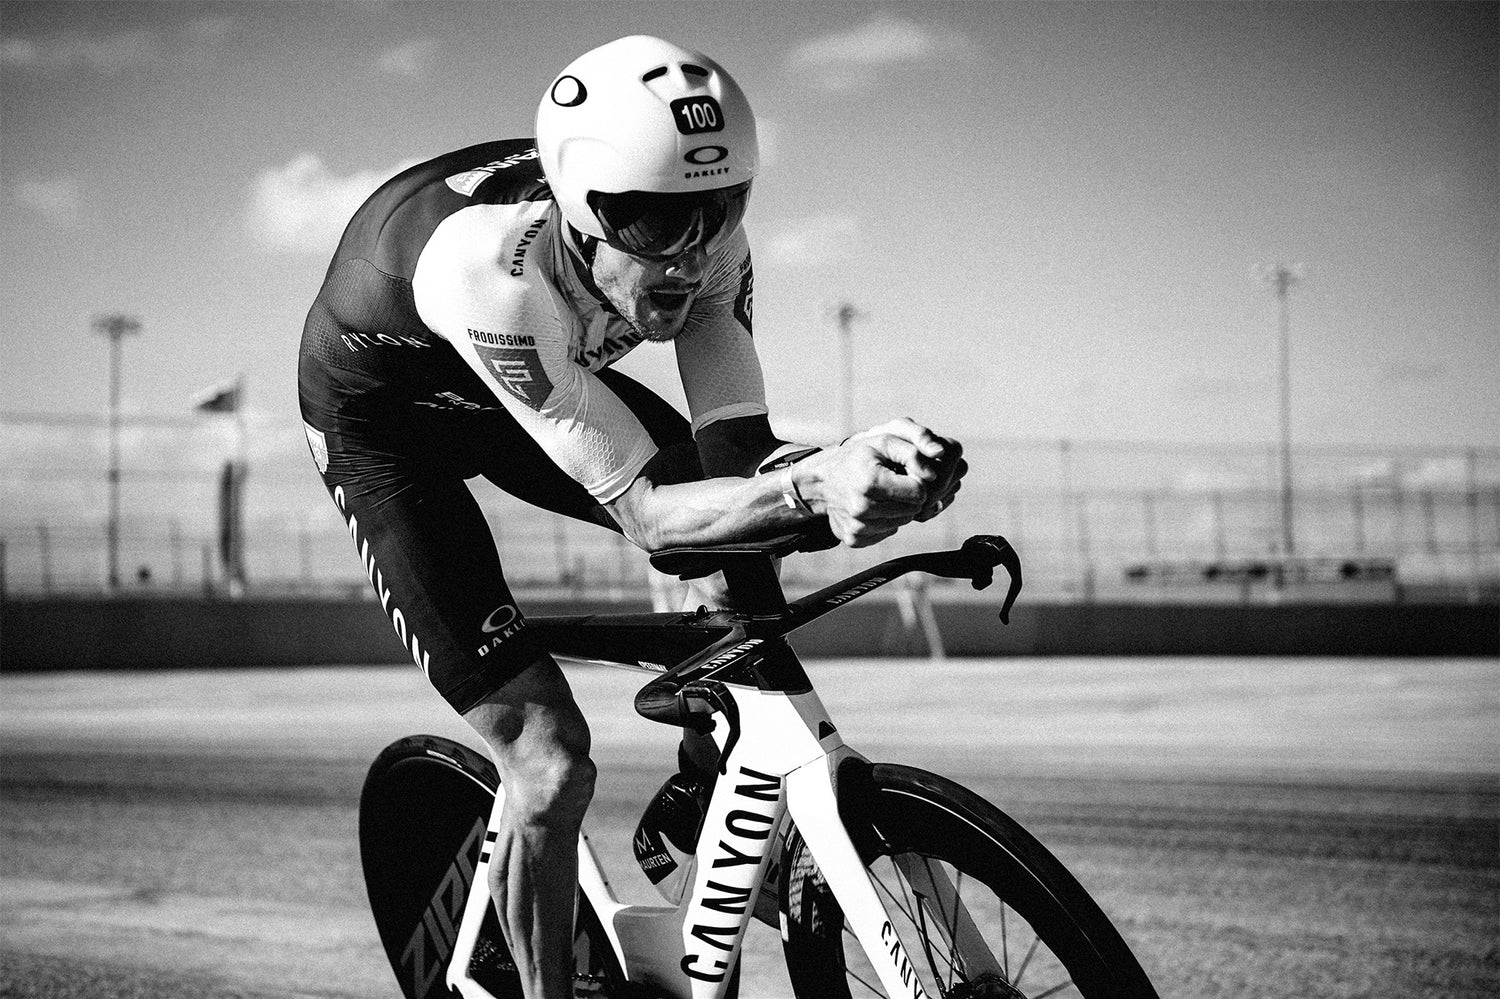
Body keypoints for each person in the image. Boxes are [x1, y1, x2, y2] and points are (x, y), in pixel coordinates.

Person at [298, 34, 965, 999]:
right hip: (387, 433)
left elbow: (739, 462)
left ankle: (705, 787)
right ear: (581, 211)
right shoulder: (492, 271)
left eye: (716, 211)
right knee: (549, 755)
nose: (690, 256)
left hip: (533, 391)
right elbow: (653, 514)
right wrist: (817, 487)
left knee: (737, 530)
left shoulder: (705, 249)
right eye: (654, 226)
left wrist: (855, 475)